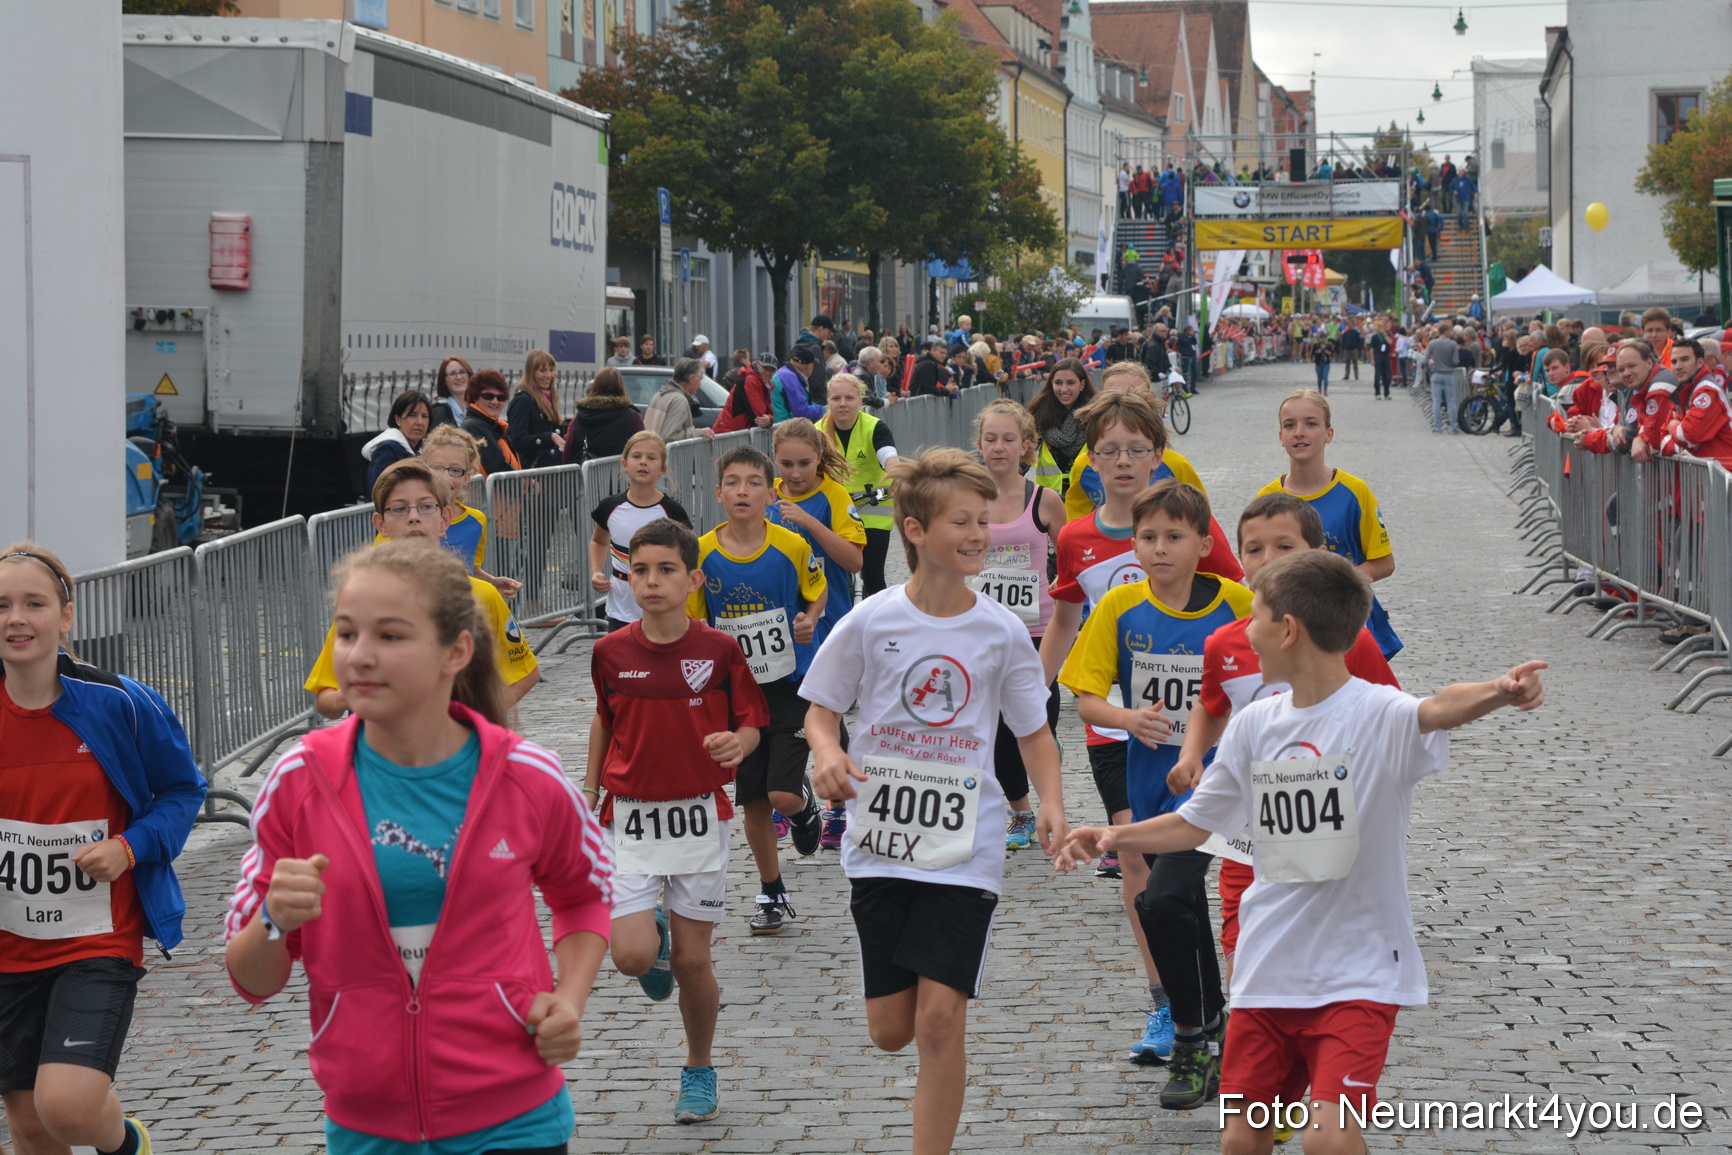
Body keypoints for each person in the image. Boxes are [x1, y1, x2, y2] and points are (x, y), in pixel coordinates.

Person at [1057, 551, 1547, 1154]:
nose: (1245, 632)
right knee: (1241, 1140)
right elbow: (1193, 823)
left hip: (1360, 973)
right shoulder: (1254, 723)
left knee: (1327, 1138)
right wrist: (1113, 836)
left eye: (1256, 616)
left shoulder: (1377, 712)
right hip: (1267, 970)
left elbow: (1438, 707)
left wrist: (1499, 690)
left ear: (1288, 630)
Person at [227, 539, 613, 1155]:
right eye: (346, 634)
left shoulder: (526, 777)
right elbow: (252, 981)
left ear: (455, 652)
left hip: (515, 1118)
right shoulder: (299, 781)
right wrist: (273, 918)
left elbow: (584, 896)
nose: (359, 655)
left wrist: (568, 1000)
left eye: (390, 635)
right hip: (366, 1126)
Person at [804, 448, 1066, 1155]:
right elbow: (821, 709)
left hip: (965, 845)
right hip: (881, 841)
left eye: (984, 520)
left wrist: (1050, 801)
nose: (980, 534)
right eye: (963, 521)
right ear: (915, 530)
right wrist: (827, 753)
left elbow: (1034, 732)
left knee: (939, 1021)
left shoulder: (1001, 631)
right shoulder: (872, 620)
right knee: (891, 1030)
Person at [1038, 391, 1241, 1064]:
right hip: (1118, 733)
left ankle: (1192, 1014)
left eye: (1136, 449)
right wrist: (1030, 696)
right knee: (1141, 866)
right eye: (1109, 450)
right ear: (1091, 461)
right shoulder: (1078, 540)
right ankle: (1173, 1004)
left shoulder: (1194, 530)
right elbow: (1066, 621)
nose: (1122, 461)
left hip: (1200, 747)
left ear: (1158, 455)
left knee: (1167, 881)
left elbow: (1244, 617)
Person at [0, 544, 205, 1155]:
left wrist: (129, 847)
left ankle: (126, 1144)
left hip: (96, 938)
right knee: (29, 1123)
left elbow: (182, 790)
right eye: (1, 605)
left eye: (34, 603)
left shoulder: (119, 702)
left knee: (65, 1107)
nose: (16, 618)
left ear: (66, 616)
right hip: (8, 945)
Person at [1164, 496, 1397, 1000]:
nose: (1267, 560)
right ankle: (1242, 1021)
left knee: (1322, 938)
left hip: (1328, 823)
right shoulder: (1226, 642)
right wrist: (1190, 754)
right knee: (1242, 944)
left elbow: (1392, 718)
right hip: (1249, 828)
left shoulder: (1351, 641)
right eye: (1254, 549)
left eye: (1284, 547)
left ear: (1317, 553)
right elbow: (1211, 704)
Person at [587, 518, 767, 1125]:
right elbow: (604, 720)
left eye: (666, 570)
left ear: (693, 579)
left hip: (698, 816)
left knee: (694, 963)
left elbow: (750, 720)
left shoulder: (719, 650)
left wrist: (738, 744)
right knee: (632, 957)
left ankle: (699, 1067)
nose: (651, 581)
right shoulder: (609, 652)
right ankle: (653, 937)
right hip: (629, 816)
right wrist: (590, 786)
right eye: (639, 570)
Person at [686, 445, 827, 934]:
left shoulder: (791, 545)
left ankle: (804, 805)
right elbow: (696, 619)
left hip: (791, 685)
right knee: (755, 803)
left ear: (771, 494)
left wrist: (809, 619)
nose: (742, 491)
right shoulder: (701, 552)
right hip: (737, 694)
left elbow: (816, 591)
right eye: (733, 482)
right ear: (718, 492)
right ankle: (772, 892)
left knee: (782, 795)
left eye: (753, 483)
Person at [306, 460, 540, 719]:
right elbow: (325, 698)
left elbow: (525, 674)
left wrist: (469, 722)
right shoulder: (362, 599)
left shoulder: (480, 596)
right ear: (380, 524)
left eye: (426, 507)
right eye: (399, 509)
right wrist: (351, 693)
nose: (414, 517)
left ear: (444, 519)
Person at [971, 401, 1067, 851]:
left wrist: (1065, 591)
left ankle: (1051, 800)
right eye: (990, 438)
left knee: (1038, 720)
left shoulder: (1044, 500)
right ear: (979, 444)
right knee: (997, 728)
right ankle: (1022, 812)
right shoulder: (967, 499)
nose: (999, 447)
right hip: (985, 628)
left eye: (1009, 439)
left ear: (1026, 446)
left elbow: (1070, 559)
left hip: (1039, 628)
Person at [1259, 389, 1402, 659]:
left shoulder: (1355, 492)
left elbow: (1384, 563)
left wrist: (1331, 586)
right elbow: (1256, 569)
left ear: (1329, 434)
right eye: (1290, 425)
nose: (1299, 433)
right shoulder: (1266, 500)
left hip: (1348, 626)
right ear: (1281, 436)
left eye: (1311, 424)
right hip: (1288, 626)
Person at [1061, 361, 1223, 526]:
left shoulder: (1175, 464)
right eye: (1113, 396)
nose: (1123, 403)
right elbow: (1075, 524)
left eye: (1134, 395)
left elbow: (1202, 524)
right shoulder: (1084, 465)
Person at [589, 431, 692, 633]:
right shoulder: (609, 507)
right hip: (620, 608)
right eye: (637, 456)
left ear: (662, 469)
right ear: (624, 464)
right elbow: (599, 541)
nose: (643, 462)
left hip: (662, 606)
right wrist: (596, 571)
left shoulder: (672, 511)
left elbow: (689, 555)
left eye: (651, 458)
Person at [414, 425, 521, 600]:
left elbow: (470, 569)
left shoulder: (476, 521)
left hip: (460, 608)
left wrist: (492, 582)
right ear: (423, 470)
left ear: (467, 477)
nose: (445, 477)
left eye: (455, 470)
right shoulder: (405, 518)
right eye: (436, 468)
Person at [817, 374, 899, 600]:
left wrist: (896, 470)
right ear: (828, 402)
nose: (842, 404)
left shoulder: (875, 427)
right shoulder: (817, 431)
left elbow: (888, 454)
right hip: (835, 512)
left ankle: (880, 615)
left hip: (873, 511)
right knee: (834, 576)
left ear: (860, 401)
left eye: (849, 398)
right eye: (836, 398)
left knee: (873, 575)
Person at [1658, 337, 1732, 468]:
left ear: (1700, 362)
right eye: (1674, 361)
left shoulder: (1707, 391)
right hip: (1708, 473)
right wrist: (1682, 446)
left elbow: (1689, 435)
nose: (1678, 366)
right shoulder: (1684, 391)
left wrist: (1673, 427)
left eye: (1685, 359)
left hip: (1723, 472)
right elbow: (1661, 439)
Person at [1027, 359, 1096, 493]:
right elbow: (1024, 452)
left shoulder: (1095, 414)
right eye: (1058, 383)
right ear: (1051, 383)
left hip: (1087, 495)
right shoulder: (1039, 414)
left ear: (1082, 384)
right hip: (1049, 495)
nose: (1064, 389)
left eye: (1070, 383)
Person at [562, 367, 645, 463]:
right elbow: (644, 446)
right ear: (620, 386)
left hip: (586, 471)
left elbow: (567, 454)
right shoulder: (632, 416)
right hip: (620, 470)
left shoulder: (581, 416)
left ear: (595, 386)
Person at [363, 389, 432, 493]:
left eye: (424, 416)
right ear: (398, 419)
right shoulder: (387, 449)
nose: (420, 422)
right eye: (412, 415)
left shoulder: (423, 450)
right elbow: (380, 491)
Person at [507, 350, 566, 470]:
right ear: (531, 373)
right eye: (542, 371)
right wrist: (549, 437)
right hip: (533, 472)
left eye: (551, 370)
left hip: (551, 471)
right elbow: (518, 441)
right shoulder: (522, 401)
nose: (548, 375)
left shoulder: (550, 399)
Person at [461, 370, 523, 476]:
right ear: (475, 397)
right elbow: (497, 467)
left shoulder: (496, 426)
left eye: (501, 398)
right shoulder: (474, 427)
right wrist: (525, 483)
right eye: (488, 396)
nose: (495, 402)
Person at [645, 358, 714, 444]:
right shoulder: (679, 400)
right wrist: (700, 432)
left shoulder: (659, 394)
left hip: (650, 449)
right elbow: (670, 437)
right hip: (662, 451)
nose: (700, 384)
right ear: (691, 379)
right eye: (700, 379)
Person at [712, 353, 775, 434]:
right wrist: (770, 420)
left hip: (734, 431)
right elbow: (760, 417)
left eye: (771, 370)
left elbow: (765, 416)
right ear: (757, 364)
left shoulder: (762, 383)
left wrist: (769, 420)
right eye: (765, 368)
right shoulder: (751, 380)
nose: (768, 373)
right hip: (731, 432)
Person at [771, 347, 826, 423]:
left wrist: (821, 408)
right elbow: (801, 411)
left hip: (782, 424)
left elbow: (804, 403)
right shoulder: (790, 378)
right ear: (807, 366)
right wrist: (824, 410)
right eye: (813, 365)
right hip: (785, 426)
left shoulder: (785, 373)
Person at [1427, 328, 1460, 434]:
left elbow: (1426, 359)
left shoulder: (1432, 343)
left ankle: (1438, 427)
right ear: (1446, 331)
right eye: (1450, 331)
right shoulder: (1453, 344)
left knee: (1436, 401)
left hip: (1436, 373)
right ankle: (1453, 427)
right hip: (1448, 374)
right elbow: (1456, 361)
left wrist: (1430, 371)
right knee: (1451, 401)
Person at [428, 356, 472, 429]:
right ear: (444, 381)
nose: (459, 377)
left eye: (462, 372)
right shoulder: (439, 411)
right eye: (452, 374)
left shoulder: (471, 409)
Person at [1367, 320, 1392, 400]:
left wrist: (1385, 334)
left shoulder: (1388, 335)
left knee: (1387, 376)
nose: (1381, 329)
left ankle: (1386, 393)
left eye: (1382, 327)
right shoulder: (1375, 337)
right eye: (1380, 327)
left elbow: (1390, 342)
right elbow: (1371, 349)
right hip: (1378, 356)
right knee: (1377, 376)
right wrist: (1372, 359)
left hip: (1386, 356)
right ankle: (1377, 393)